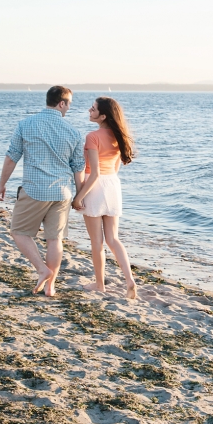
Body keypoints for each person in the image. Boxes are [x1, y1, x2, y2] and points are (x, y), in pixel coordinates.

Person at [0, 86, 85, 297]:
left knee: (18, 232)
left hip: (35, 190)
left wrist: (2, 184)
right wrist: (79, 196)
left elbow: (12, 157)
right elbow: (78, 168)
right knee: (55, 240)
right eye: (69, 104)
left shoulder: (26, 124)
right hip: (63, 193)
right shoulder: (73, 132)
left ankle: (42, 269)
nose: (69, 108)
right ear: (61, 103)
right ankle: (50, 286)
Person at [72, 97, 138, 299]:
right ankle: (129, 280)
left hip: (95, 188)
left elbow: (94, 173)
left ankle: (100, 285)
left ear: (103, 116)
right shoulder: (120, 136)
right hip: (113, 186)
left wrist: (78, 197)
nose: (89, 111)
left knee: (96, 242)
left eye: (93, 109)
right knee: (113, 238)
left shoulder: (92, 136)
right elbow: (114, 168)